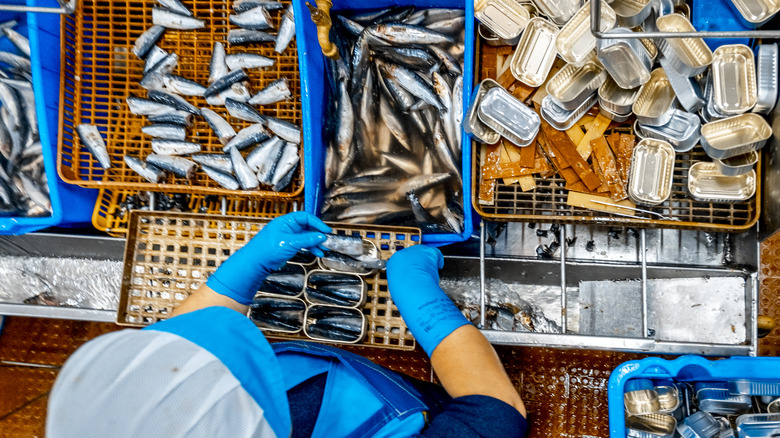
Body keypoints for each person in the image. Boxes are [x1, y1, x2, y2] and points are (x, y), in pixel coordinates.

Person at [46, 212, 528, 437]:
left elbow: (172, 367)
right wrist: (421, 301)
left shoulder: (114, 419)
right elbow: (494, 412)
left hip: (316, 374)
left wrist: (236, 279)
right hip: (394, 415)